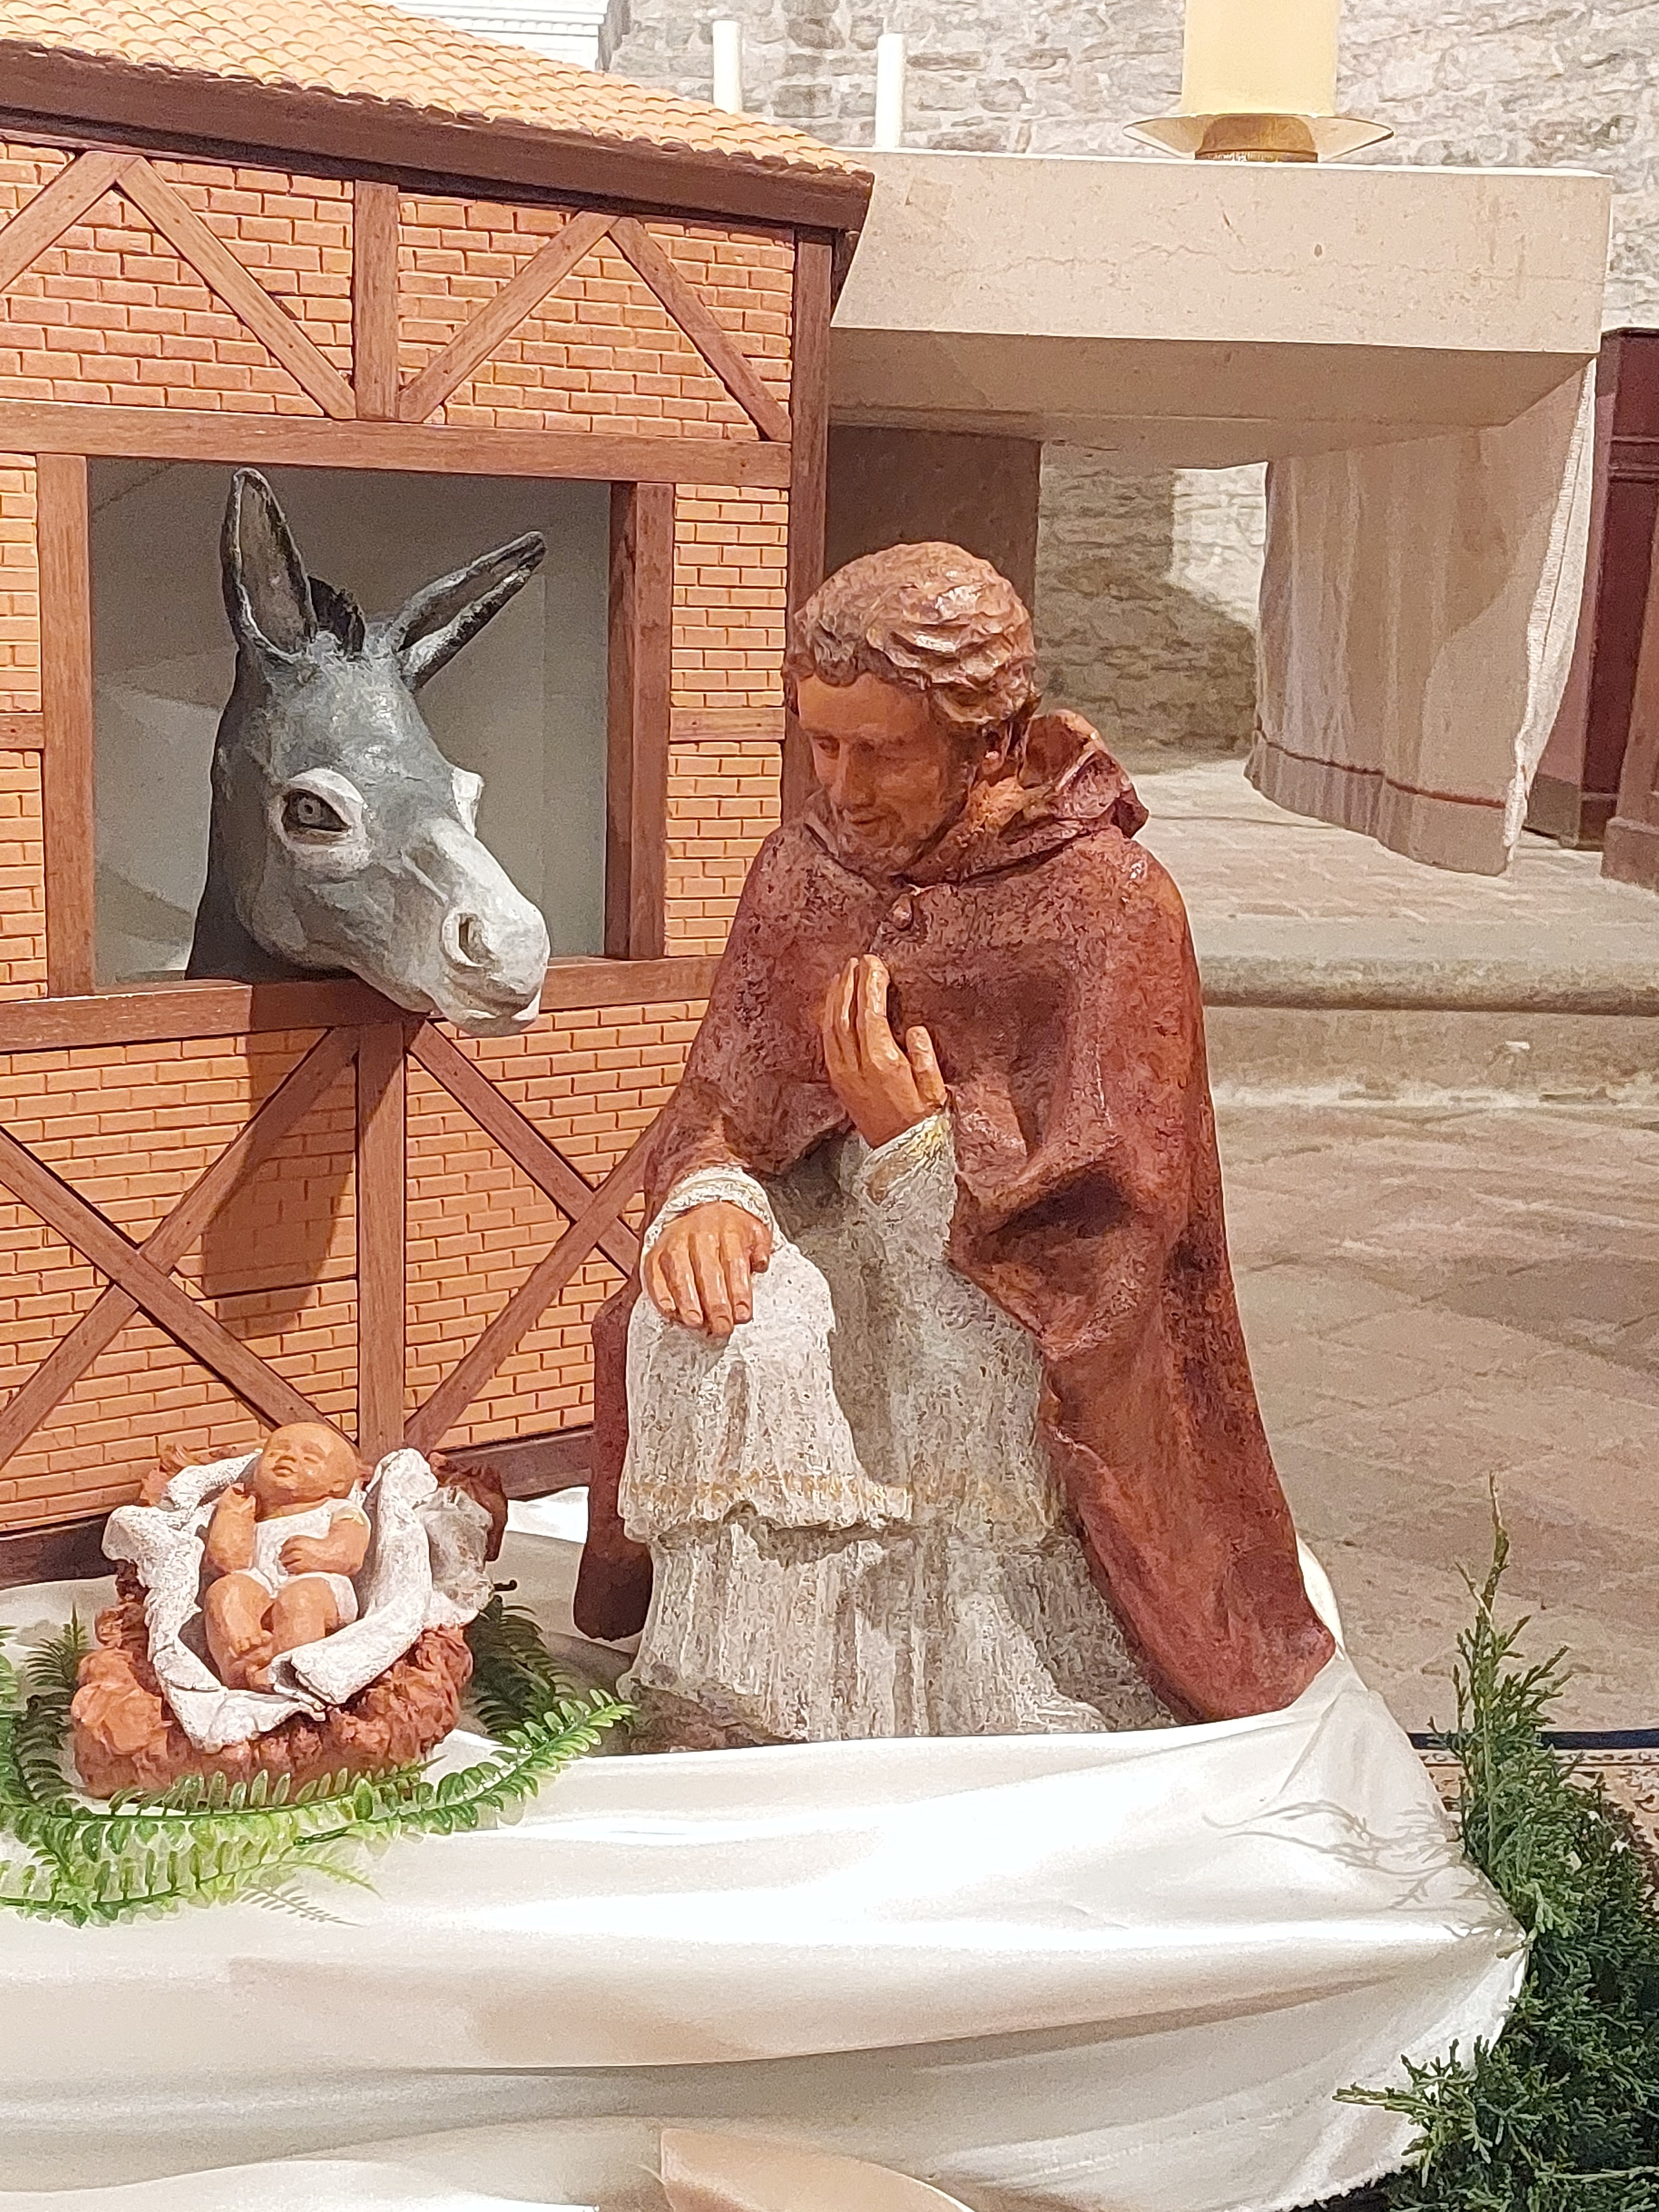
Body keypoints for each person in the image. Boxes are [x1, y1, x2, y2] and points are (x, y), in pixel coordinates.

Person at [575, 543, 1334, 1748]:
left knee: (967, 1370)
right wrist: (715, 1191)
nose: (841, 786)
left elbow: (1120, 1213)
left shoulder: (1107, 901)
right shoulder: (802, 870)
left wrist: (919, 1149)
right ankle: (735, 1698)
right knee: (709, 1330)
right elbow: (721, 1091)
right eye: (821, 744)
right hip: (819, 1224)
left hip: (1012, 1275)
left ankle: (977, 1690)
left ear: (987, 743)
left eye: (881, 752)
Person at [200, 1421, 369, 1691]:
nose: (288, 1458)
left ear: (338, 1483)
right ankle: (241, 1662)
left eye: (310, 1457)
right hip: (261, 1585)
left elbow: (351, 1552)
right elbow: (227, 1562)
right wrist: (232, 1516)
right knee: (226, 1590)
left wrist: (321, 1553)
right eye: (276, 1452)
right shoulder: (254, 1514)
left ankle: (289, 1669)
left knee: (299, 1599)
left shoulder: (339, 1510)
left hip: (319, 1588)